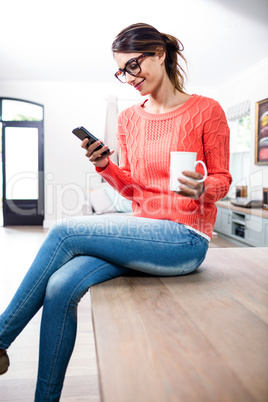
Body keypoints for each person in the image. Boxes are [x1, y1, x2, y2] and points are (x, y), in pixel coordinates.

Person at [0, 22, 232, 401]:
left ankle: (0, 336)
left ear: (160, 54)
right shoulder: (129, 119)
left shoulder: (207, 110)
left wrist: (205, 188)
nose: (128, 77)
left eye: (134, 65)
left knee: (63, 232)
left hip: (185, 238)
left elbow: (222, 176)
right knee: (60, 288)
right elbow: (132, 192)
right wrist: (105, 165)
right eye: (122, 71)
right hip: (143, 231)